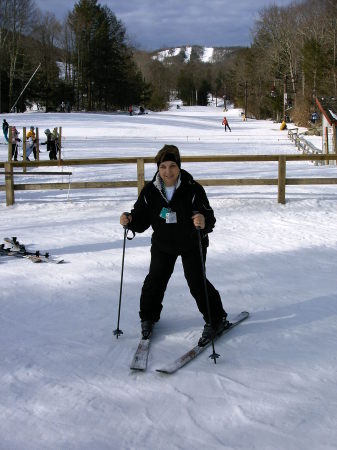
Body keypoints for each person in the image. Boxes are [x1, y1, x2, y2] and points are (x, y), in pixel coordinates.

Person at [120, 144, 229, 345]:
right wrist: (130, 219)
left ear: (179, 167)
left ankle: (216, 319)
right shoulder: (150, 191)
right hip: (163, 243)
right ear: (158, 168)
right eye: (163, 167)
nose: (167, 172)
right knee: (155, 280)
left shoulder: (193, 189)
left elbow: (209, 216)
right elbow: (142, 217)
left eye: (172, 166)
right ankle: (148, 317)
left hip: (191, 242)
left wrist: (203, 221)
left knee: (196, 281)